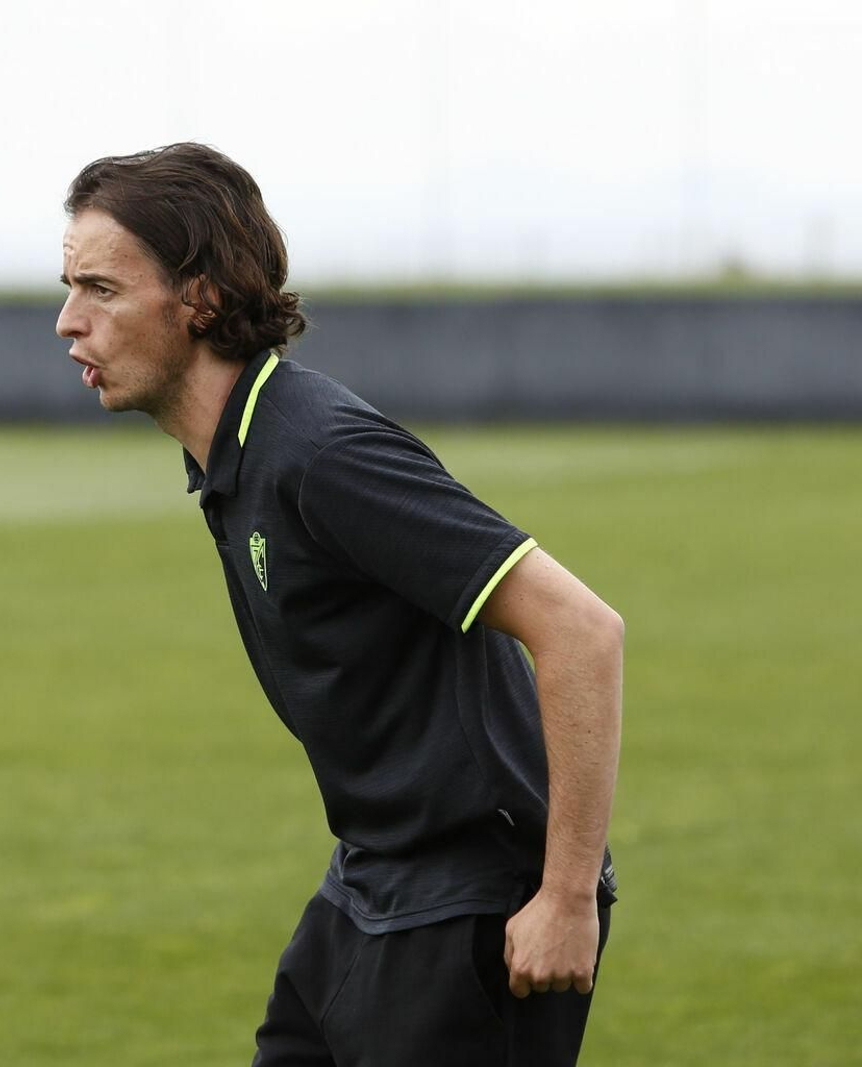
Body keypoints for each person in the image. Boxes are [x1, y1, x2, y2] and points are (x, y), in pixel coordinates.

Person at [56, 143, 623, 1065]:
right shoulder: (234, 457)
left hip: (476, 901)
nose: (68, 320)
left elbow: (582, 630)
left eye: (101, 288)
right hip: (370, 881)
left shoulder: (322, 451)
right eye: (70, 285)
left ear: (197, 297)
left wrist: (563, 898)